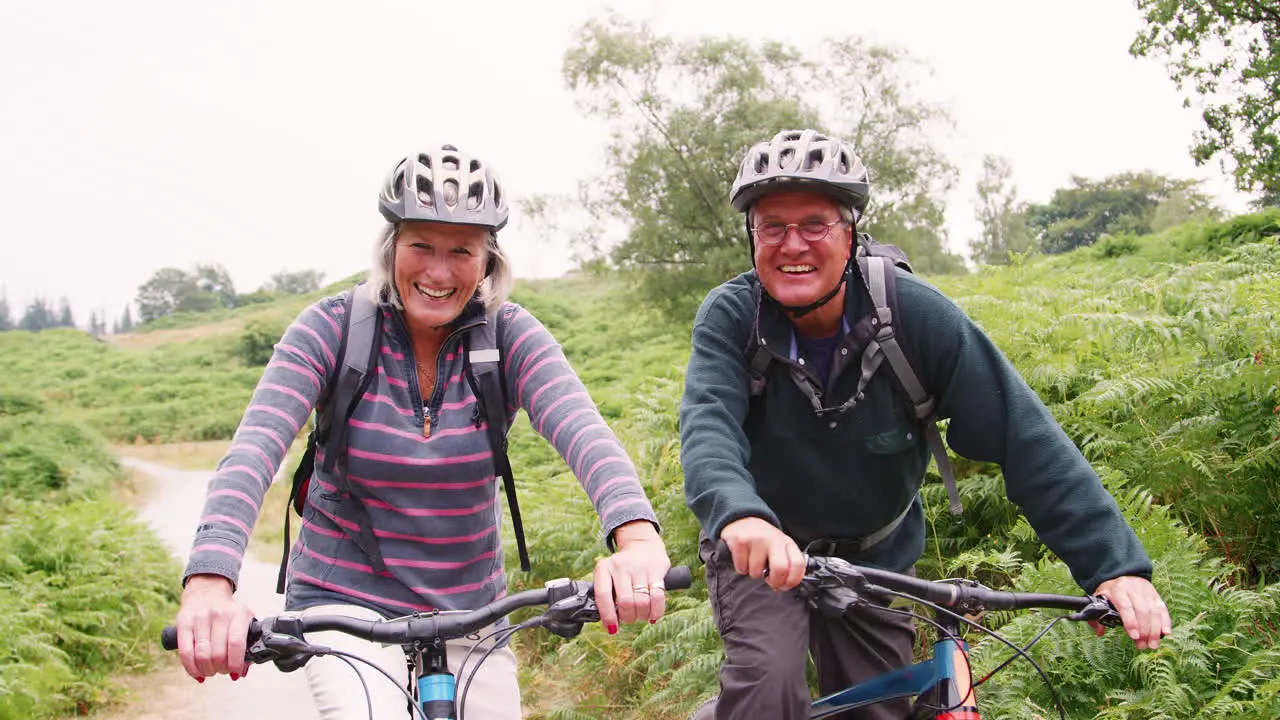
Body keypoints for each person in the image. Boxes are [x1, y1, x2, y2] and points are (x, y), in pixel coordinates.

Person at [679, 129, 1172, 720]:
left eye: (815, 224)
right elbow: (708, 428)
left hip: (874, 556)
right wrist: (742, 515)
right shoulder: (733, 317)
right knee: (768, 688)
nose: (792, 244)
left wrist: (1115, 568)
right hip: (761, 549)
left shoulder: (914, 316)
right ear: (751, 236)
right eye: (772, 226)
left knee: (880, 708)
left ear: (851, 233)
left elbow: (1026, 439)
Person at [175, 143, 672, 719]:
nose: (438, 272)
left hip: (471, 609)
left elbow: (584, 432)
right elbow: (252, 452)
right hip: (345, 606)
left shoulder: (508, 336)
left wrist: (637, 541)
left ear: (487, 261)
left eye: (461, 250)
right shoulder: (331, 329)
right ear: (391, 249)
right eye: (420, 246)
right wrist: (210, 583)